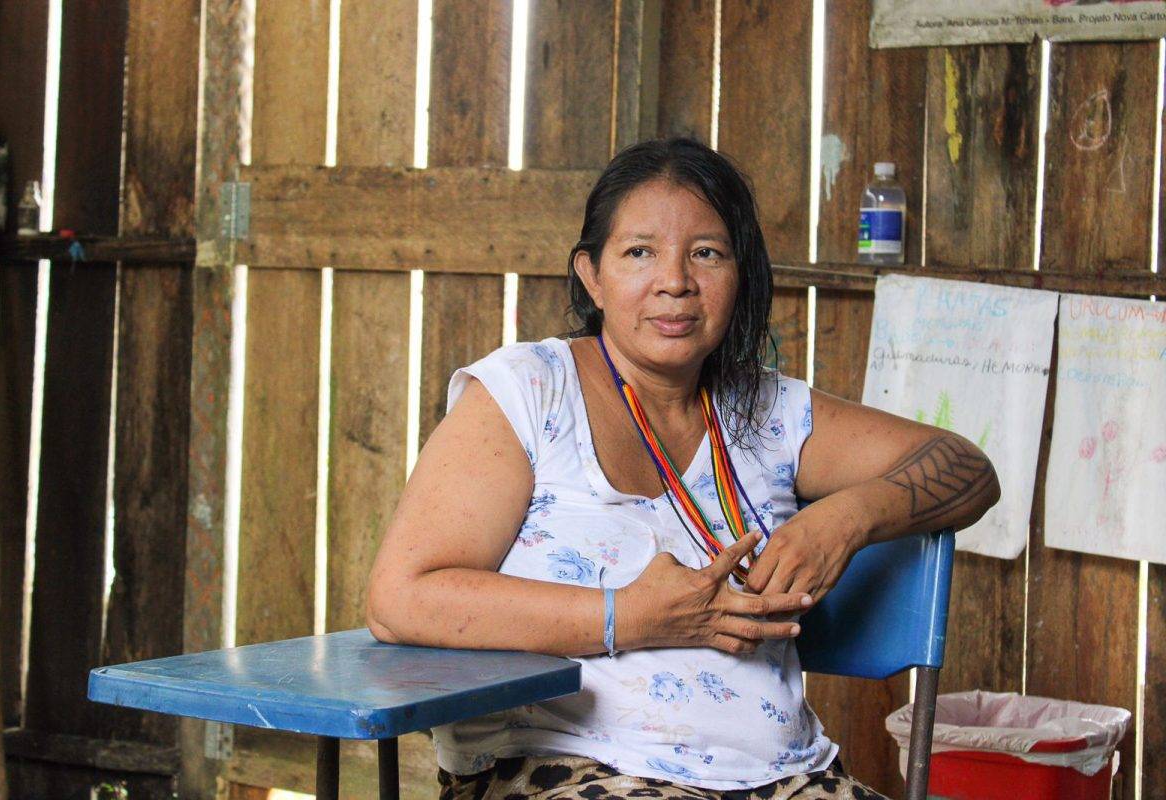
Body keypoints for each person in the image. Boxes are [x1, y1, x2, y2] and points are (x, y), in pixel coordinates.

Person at [366, 137, 1000, 800]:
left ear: (740, 274)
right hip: (567, 767)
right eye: (639, 252)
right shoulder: (529, 392)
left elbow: (967, 468)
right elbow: (400, 598)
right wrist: (628, 616)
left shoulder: (768, 411)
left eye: (707, 253)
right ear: (592, 275)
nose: (675, 281)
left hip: (789, 780)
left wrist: (844, 521)